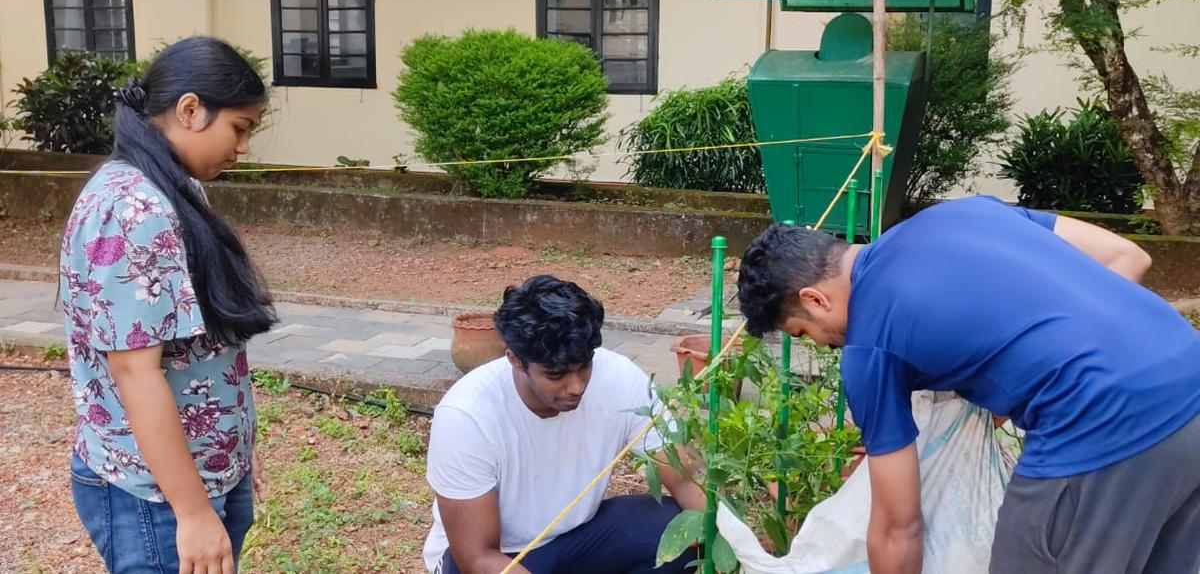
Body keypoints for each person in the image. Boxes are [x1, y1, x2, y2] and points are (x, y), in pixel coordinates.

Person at [736, 195, 1200, 574]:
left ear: (814, 299)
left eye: (803, 332)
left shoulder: (869, 348)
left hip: (1096, 422)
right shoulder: (965, 211)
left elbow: (899, 527)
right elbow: (1129, 257)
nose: (819, 345)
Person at [61, 36, 277, 573]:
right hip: (157, 499)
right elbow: (136, 373)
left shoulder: (173, 187)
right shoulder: (134, 208)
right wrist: (193, 513)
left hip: (199, 479)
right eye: (239, 128)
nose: (242, 147)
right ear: (190, 110)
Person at [423, 274, 705, 573]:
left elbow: (686, 477)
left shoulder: (620, 378)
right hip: (502, 558)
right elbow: (478, 558)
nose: (576, 386)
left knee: (683, 529)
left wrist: (742, 547)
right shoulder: (466, 416)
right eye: (556, 375)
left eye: (584, 367)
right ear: (516, 360)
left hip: (577, 538)